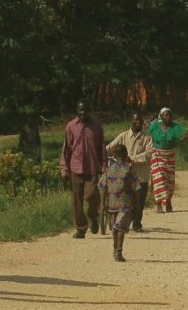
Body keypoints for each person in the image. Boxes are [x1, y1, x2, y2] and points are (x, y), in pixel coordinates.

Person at [59, 100, 106, 239]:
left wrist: (103, 165)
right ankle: (81, 228)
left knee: (91, 195)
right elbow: (66, 149)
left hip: (92, 168)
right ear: (76, 111)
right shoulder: (70, 127)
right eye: (80, 111)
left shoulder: (97, 126)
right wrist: (64, 169)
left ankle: (93, 216)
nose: (82, 113)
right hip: (75, 168)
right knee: (76, 200)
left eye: (85, 111)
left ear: (89, 111)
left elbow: (102, 147)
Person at [107, 111, 153, 232]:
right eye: (136, 120)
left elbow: (148, 154)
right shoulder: (123, 136)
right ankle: (123, 220)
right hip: (125, 175)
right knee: (126, 199)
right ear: (131, 121)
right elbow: (110, 147)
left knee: (139, 200)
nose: (139, 123)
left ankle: (137, 224)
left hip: (140, 175)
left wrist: (131, 159)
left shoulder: (146, 137)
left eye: (141, 121)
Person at [97, 144, 138, 262]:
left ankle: (116, 249)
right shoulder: (129, 169)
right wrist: (136, 202)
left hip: (112, 203)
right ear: (126, 156)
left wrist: (102, 203)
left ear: (114, 156)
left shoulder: (108, 170)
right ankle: (118, 252)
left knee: (115, 227)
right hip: (125, 203)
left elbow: (102, 187)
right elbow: (135, 187)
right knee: (121, 228)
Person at [147, 107, 188, 213]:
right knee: (158, 179)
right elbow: (146, 135)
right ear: (161, 116)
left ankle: (168, 200)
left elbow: (186, 133)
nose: (168, 117)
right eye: (165, 115)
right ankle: (159, 204)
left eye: (170, 115)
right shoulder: (154, 126)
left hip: (170, 155)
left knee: (169, 181)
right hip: (157, 155)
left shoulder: (175, 127)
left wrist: (185, 137)